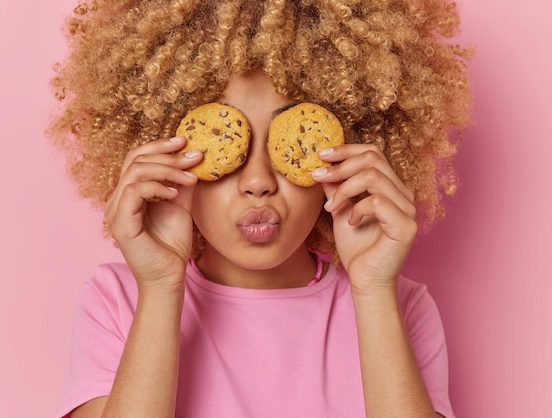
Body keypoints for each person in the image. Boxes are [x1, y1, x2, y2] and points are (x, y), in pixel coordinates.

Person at [47, 0, 472, 417]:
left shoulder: (399, 304)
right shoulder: (118, 300)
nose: (258, 183)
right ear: (166, 148)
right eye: (228, 146)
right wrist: (160, 287)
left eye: (286, 145)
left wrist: (374, 291)